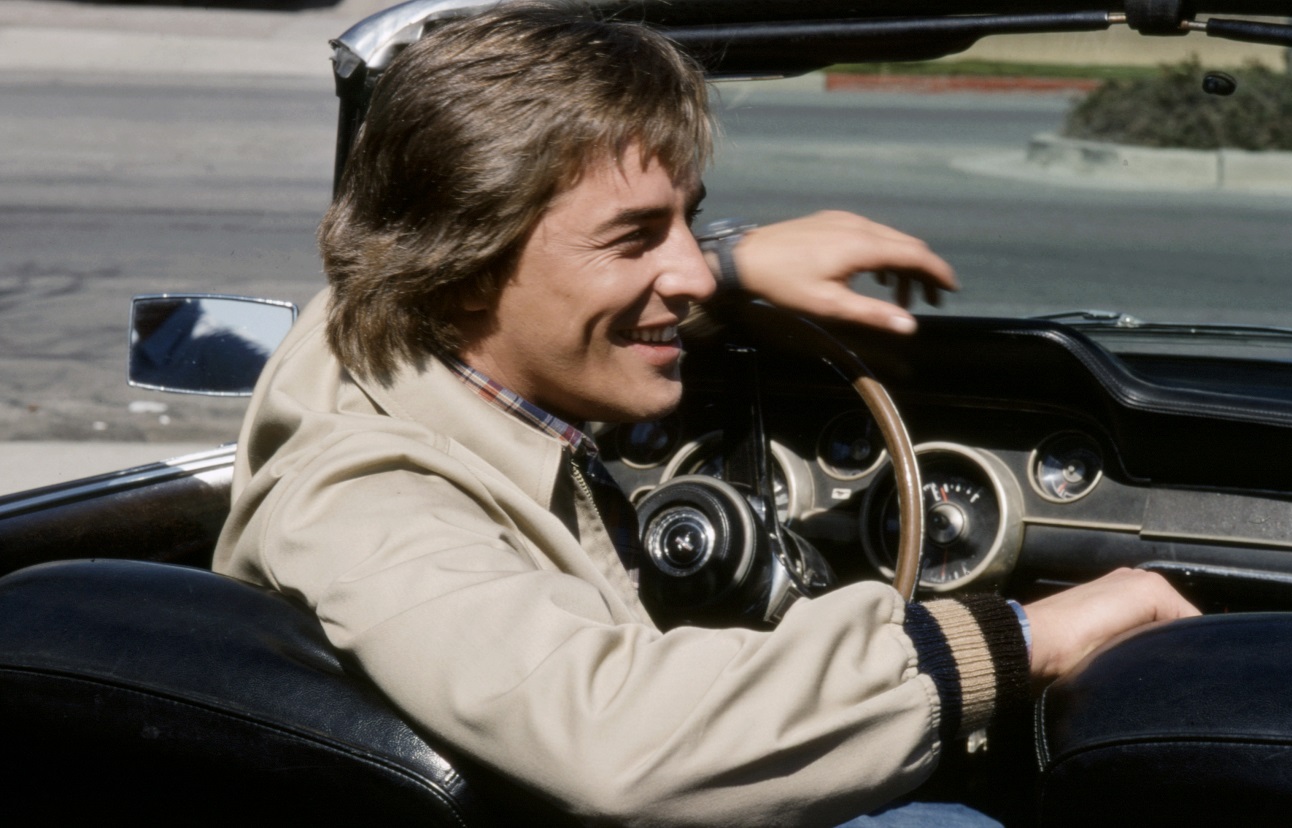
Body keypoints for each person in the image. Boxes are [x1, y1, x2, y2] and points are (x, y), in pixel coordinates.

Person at [213, 4, 1199, 825]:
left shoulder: (361, 347)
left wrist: (727, 268)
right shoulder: (369, 503)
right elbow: (620, 741)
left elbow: (412, 274)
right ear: (463, 268)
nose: (686, 270)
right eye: (636, 238)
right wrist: (1022, 637)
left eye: (692, 220)